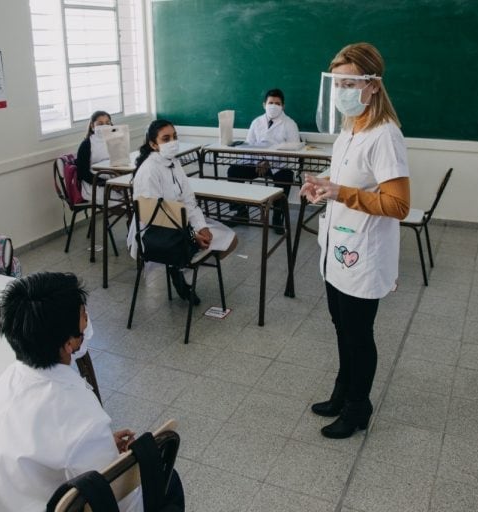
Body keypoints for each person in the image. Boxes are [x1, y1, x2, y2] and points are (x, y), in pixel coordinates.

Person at [0, 272, 184, 512]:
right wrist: (115, 459)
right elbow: (120, 501)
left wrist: (99, 448)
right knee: (167, 480)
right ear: (70, 343)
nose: (88, 319)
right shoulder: (82, 417)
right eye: (83, 315)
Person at [300, 42, 410, 439]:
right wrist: (322, 188)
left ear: (374, 85)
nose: (342, 91)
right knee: (341, 326)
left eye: (351, 83)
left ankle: (357, 408)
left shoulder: (385, 136)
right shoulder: (351, 129)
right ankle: (342, 391)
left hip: (364, 254)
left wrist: (340, 193)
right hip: (339, 248)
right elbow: (345, 186)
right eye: (337, 83)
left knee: (359, 335)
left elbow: (399, 205)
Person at [130, 119, 238, 304]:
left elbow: (188, 200)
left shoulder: (173, 162)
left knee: (231, 241)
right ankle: (178, 267)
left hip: (180, 224)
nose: (173, 142)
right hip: (156, 234)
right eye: (166, 139)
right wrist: (191, 234)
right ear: (153, 144)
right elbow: (155, 217)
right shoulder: (149, 170)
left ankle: (177, 267)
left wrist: (200, 227)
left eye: (174, 137)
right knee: (204, 246)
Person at [227, 88, 301, 232]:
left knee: (286, 176)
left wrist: (270, 163)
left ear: (283, 106)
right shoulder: (256, 122)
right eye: (271, 102)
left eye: (277, 103)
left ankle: (277, 217)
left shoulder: (290, 124)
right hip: (257, 164)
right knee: (234, 171)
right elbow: (248, 146)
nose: (274, 106)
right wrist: (259, 161)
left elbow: (293, 150)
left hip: (279, 165)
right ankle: (241, 213)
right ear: (264, 104)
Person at [75, 110, 123, 204]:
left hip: (114, 180)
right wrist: (107, 184)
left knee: (133, 196)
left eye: (107, 123)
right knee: (119, 201)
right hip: (94, 184)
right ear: (93, 126)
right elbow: (83, 173)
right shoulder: (86, 144)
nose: (104, 126)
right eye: (100, 124)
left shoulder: (114, 140)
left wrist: (119, 181)